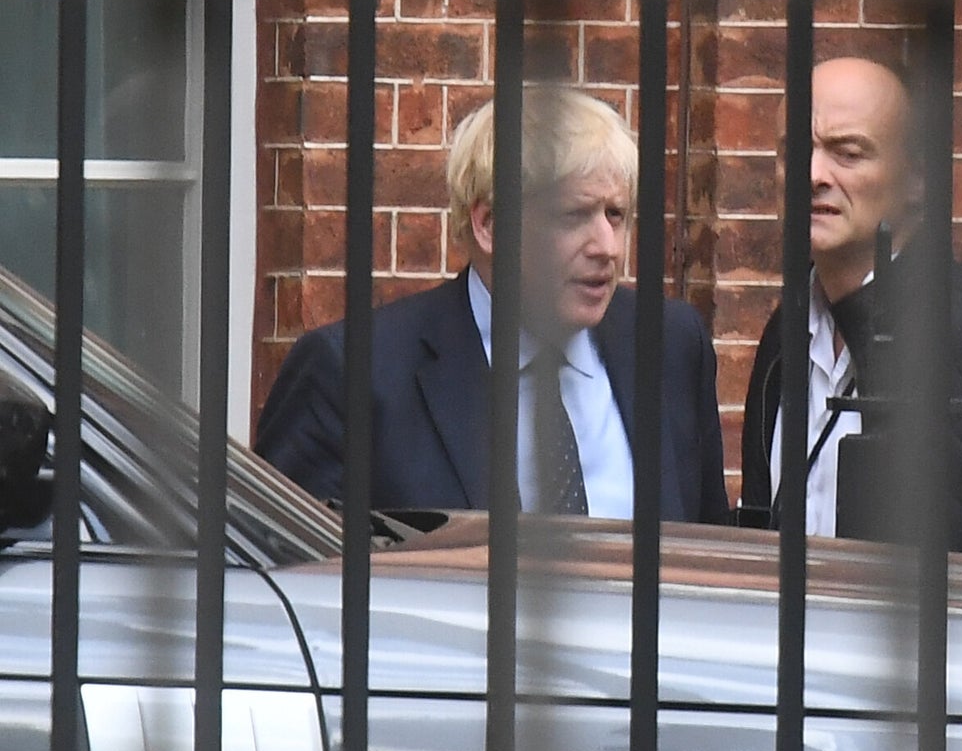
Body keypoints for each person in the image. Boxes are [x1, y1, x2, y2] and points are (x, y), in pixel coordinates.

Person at [256, 85, 730, 525]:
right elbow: (287, 581)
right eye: (574, 215)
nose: (606, 246)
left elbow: (709, 565)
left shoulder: (669, 345)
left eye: (616, 215)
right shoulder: (356, 373)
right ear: (488, 225)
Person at [740, 56, 962, 563]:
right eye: (794, 150)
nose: (812, 174)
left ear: (917, 181)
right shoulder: (787, 335)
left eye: (848, 153)